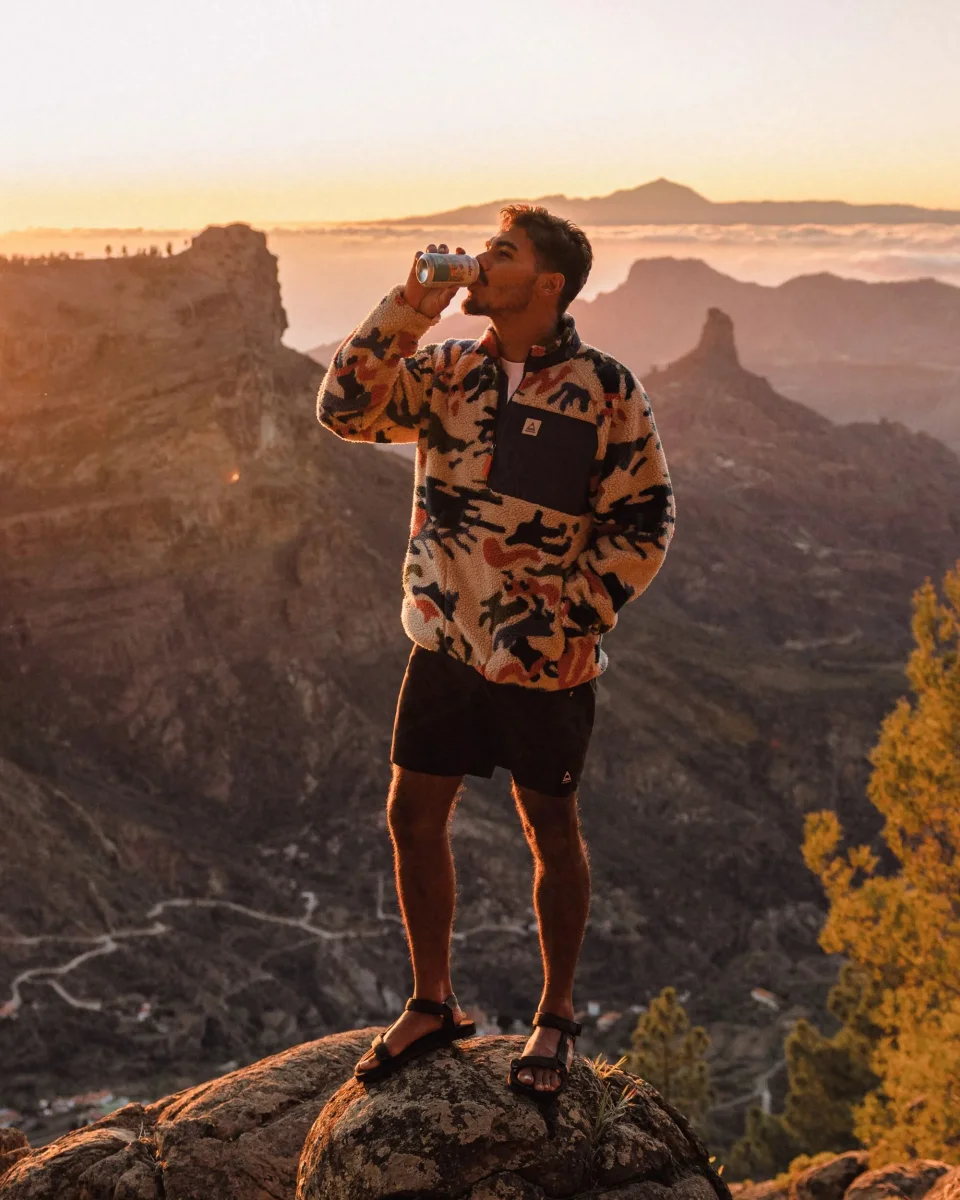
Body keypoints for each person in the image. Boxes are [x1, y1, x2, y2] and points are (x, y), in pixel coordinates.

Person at [317, 205, 674, 1098]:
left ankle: (556, 1016)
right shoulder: (447, 369)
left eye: (501, 253)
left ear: (546, 284)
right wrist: (410, 305)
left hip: (545, 663)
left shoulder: (606, 389)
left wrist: (568, 618)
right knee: (412, 817)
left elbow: (645, 520)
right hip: (445, 644)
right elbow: (344, 410)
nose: (479, 262)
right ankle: (432, 1002)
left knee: (551, 831)